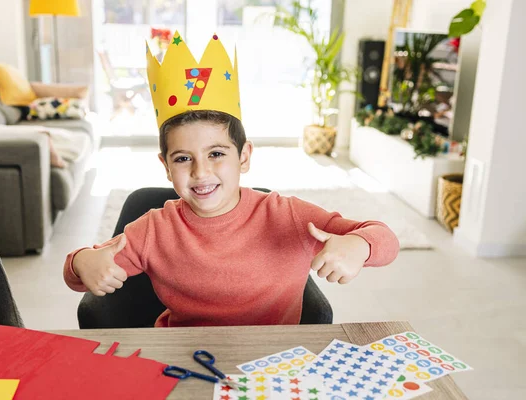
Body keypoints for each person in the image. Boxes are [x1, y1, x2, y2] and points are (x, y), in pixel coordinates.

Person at [63, 32, 400, 328]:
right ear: (166, 166)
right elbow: (80, 269)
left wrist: (360, 244)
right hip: (185, 357)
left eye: (217, 154)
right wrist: (81, 262)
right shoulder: (154, 229)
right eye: (183, 159)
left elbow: (385, 238)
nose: (201, 172)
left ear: (244, 156)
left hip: (274, 359)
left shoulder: (288, 215)